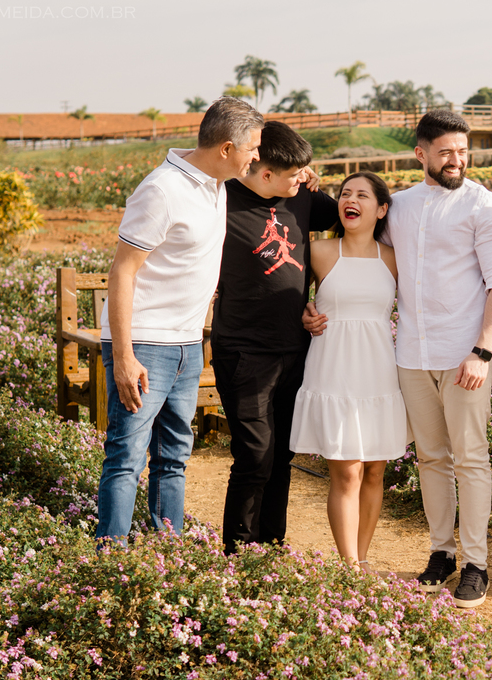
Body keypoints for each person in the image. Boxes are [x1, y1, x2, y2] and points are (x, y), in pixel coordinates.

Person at [308, 110, 492, 608]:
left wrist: (483, 350)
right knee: (430, 459)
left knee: (470, 458)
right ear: (421, 154)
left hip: (466, 354)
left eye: (463, 152)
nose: (457, 161)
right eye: (446, 152)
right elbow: (357, 252)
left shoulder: (485, 208)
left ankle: (475, 563)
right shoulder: (397, 208)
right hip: (410, 355)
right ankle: (440, 553)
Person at [96, 96, 264, 545]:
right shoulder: (162, 189)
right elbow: (122, 271)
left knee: (173, 457)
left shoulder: (218, 183)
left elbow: (275, 179)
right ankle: (108, 553)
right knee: (126, 456)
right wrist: (124, 356)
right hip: (146, 345)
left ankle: (168, 552)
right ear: (227, 148)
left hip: (189, 346)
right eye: (252, 148)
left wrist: (303, 174)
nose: (257, 157)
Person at [211, 120, 337, 555]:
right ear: (264, 174)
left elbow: (354, 221)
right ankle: (240, 552)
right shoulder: (220, 201)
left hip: (296, 348)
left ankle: (272, 545)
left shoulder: (302, 197)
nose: (302, 180)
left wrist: (327, 299)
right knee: (254, 454)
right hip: (244, 351)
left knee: (282, 452)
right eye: (294, 174)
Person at [290, 172, 405, 570]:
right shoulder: (319, 251)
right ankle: (349, 566)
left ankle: (363, 558)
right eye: (344, 194)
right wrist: (304, 314)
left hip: (378, 371)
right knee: (347, 472)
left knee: (375, 471)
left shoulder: (392, 258)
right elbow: (291, 299)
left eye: (361, 195)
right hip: (334, 368)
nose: (349, 200)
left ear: (382, 209)